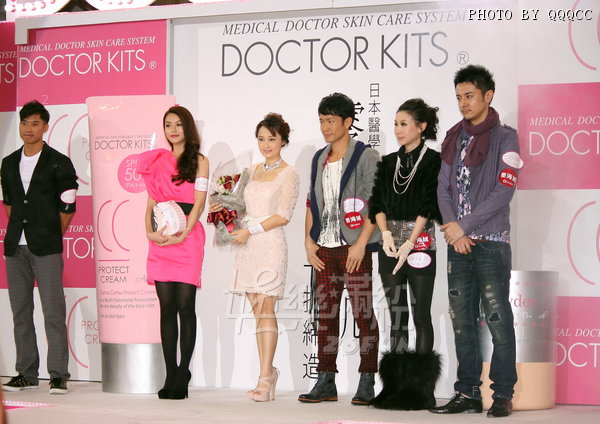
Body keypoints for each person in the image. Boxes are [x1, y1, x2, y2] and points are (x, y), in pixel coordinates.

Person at [430, 65, 519, 418]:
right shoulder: (454, 136)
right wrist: (454, 229)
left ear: (488, 95)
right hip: (459, 244)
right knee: (462, 322)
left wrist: (463, 226)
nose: (464, 103)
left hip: (491, 243)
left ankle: (503, 394)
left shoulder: (506, 137)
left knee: (498, 320)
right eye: (459, 97)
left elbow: (503, 190)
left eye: (469, 96)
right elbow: (442, 188)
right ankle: (467, 393)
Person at [210, 113, 299, 402]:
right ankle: (268, 373)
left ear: (283, 140)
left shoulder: (290, 173)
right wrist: (219, 206)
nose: (266, 144)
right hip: (247, 246)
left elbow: (284, 215)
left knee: (267, 309)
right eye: (261, 139)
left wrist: (251, 230)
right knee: (257, 311)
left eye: (272, 138)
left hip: (269, 243)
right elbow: (237, 205)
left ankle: (264, 378)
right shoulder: (251, 170)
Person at [298, 92, 380, 406]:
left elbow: (376, 203)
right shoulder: (319, 158)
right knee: (326, 316)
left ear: (348, 122)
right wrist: (309, 242)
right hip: (325, 250)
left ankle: (367, 381)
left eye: (331, 121)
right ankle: (326, 381)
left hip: (354, 248)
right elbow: (312, 202)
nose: (325, 127)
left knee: (363, 315)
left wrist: (361, 244)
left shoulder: (366, 156)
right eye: (322, 121)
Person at [368, 98, 442, 410]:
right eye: (396, 124)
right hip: (389, 245)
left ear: (421, 127)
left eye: (404, 124)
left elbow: (428, 203)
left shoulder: (434, 160)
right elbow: (376, 203)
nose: (398, 130)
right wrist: (385, 234)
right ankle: (396, 386)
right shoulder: (387, 163)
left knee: (421, 315)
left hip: (420, 242)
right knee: (397, 315)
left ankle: (422, 389)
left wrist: (411, 240)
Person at [1, 100, 78, 395]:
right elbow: (9, 204)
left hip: (46, 247)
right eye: (24, 123)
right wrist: (22, 228)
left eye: (35, 123)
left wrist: (48, 233)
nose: (28, 129)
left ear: (45, 127)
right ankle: (26, 373)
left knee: (53, 312)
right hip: (14, 248)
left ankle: (58, 375)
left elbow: (68, 206)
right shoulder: (8, 162)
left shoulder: (59, 162)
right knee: (20, 312)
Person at [138, 105, 209, 400]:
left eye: (178, 124)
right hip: (161, 239)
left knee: (185, 306)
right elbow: (150, 204)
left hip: (187, 238)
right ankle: (170, 373)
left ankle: (183, 373)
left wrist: (185, 232)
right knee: (166, 308)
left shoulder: (200, 161)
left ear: (187, 127)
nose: (173, 130)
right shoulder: (157, 161)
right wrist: (150, 233)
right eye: (168, 125)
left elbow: (199, 203)